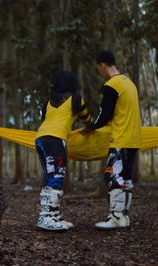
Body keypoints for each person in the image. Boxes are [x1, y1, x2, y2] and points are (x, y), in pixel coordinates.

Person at [82, 50, 142, 230]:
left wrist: (90, 127)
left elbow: (104, 114)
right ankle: (123, 217)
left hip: (121, 139)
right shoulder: (129, 83)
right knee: (126, 178)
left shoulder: (113, 85)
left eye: (98, 69)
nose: (99, 72)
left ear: (103, 66)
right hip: (134, 139)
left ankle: (116, 218)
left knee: (112, 176)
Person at [35, 70, 93, 231]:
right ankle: (45, 217)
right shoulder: (75, 99)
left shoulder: (48, 101)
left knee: (50, 176)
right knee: (56, 177)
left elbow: (45, 120)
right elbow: (87, 119)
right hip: (55, 140)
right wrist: (92, 127)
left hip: (40, 139)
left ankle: (53, 215)